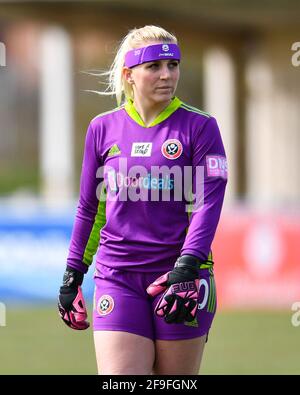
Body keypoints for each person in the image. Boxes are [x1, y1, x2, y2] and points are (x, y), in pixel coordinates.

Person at [58, 25, 227, 375]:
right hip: (117, 277)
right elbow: (91, 207)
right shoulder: (101, 128)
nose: (167, 75)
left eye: (173, 65)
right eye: (154, 67)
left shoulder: (201, 127)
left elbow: (208, 205)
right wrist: (73, 272)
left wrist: (187, 267)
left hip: (179, 278)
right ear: (129, 75)